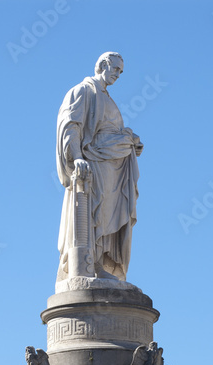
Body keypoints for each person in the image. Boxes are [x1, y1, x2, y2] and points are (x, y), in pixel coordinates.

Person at [56, 52, 143, 282]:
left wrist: (129, 141)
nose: (118, 74)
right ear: (102, 65)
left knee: (107, 217)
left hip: (113, 168)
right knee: (95, 213)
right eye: (115, 69)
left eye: (121, 71)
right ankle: (91, 265)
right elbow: (71, 126)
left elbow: (109, 129)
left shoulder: (108, 98)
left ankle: (102, 262)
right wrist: (77, 157)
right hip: (94, 165)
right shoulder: (84, 91)